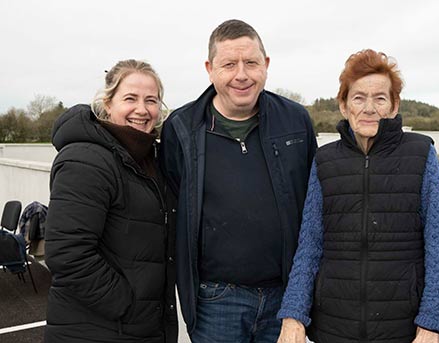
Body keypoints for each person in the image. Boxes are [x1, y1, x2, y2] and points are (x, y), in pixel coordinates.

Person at [277, 49, 439, 343]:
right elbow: (310, 245)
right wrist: (293, 315)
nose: (369, 108)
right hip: (333, 328)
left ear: (394, 105)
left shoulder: (421, 153)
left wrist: (432, 324)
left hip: (402, 330)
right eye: (359, 98)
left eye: (380, 98)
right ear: (343, 105)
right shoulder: (325, 161)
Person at [159, 19, 317, 343]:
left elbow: (315, 205)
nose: (241, 74)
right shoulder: (180, 128)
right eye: (229, 64)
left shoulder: (296, 120)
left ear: (266, 65)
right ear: (210, 68)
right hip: (216, 301)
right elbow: (174, 203)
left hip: (285, 297)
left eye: (251, 62)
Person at [44, 59, 177, 343]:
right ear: (108, 103)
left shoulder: (148, 160)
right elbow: (68, 254)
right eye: (130, 98)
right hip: (97, 330)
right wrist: (126, 304)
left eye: (151, 100)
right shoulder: (86, 158)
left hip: (140, 329)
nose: (142, 110)